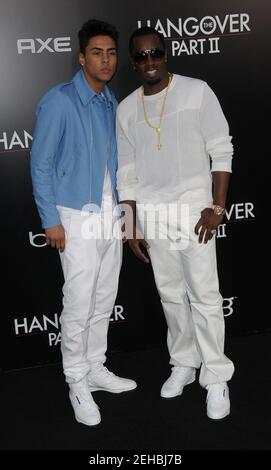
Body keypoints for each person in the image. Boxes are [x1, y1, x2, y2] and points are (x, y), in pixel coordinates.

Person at [116, 26, 234, 420]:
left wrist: (217, 207)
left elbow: (221, 147)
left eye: (156, 53)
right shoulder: (126, 108)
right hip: (152, 216)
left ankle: (215, 375)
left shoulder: (197, 90)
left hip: (194, 212)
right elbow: (127, 172)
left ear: (165, 54)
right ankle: (183, 362)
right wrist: (131, 225)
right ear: (133, 63)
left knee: (204, 295)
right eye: (142, 56)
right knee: (170, 295)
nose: (150, 62)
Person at [30, 19, 137, 427]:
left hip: (110, 217)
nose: (106, 60)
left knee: (103, 299)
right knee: (78, 302)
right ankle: (75, 379)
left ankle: (94, 367)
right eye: (97, 52)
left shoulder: (111, 100)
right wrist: (51, 220)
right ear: (81, 57)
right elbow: (40, 165)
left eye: (111, 53)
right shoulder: (59, 101)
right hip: (75, 216)